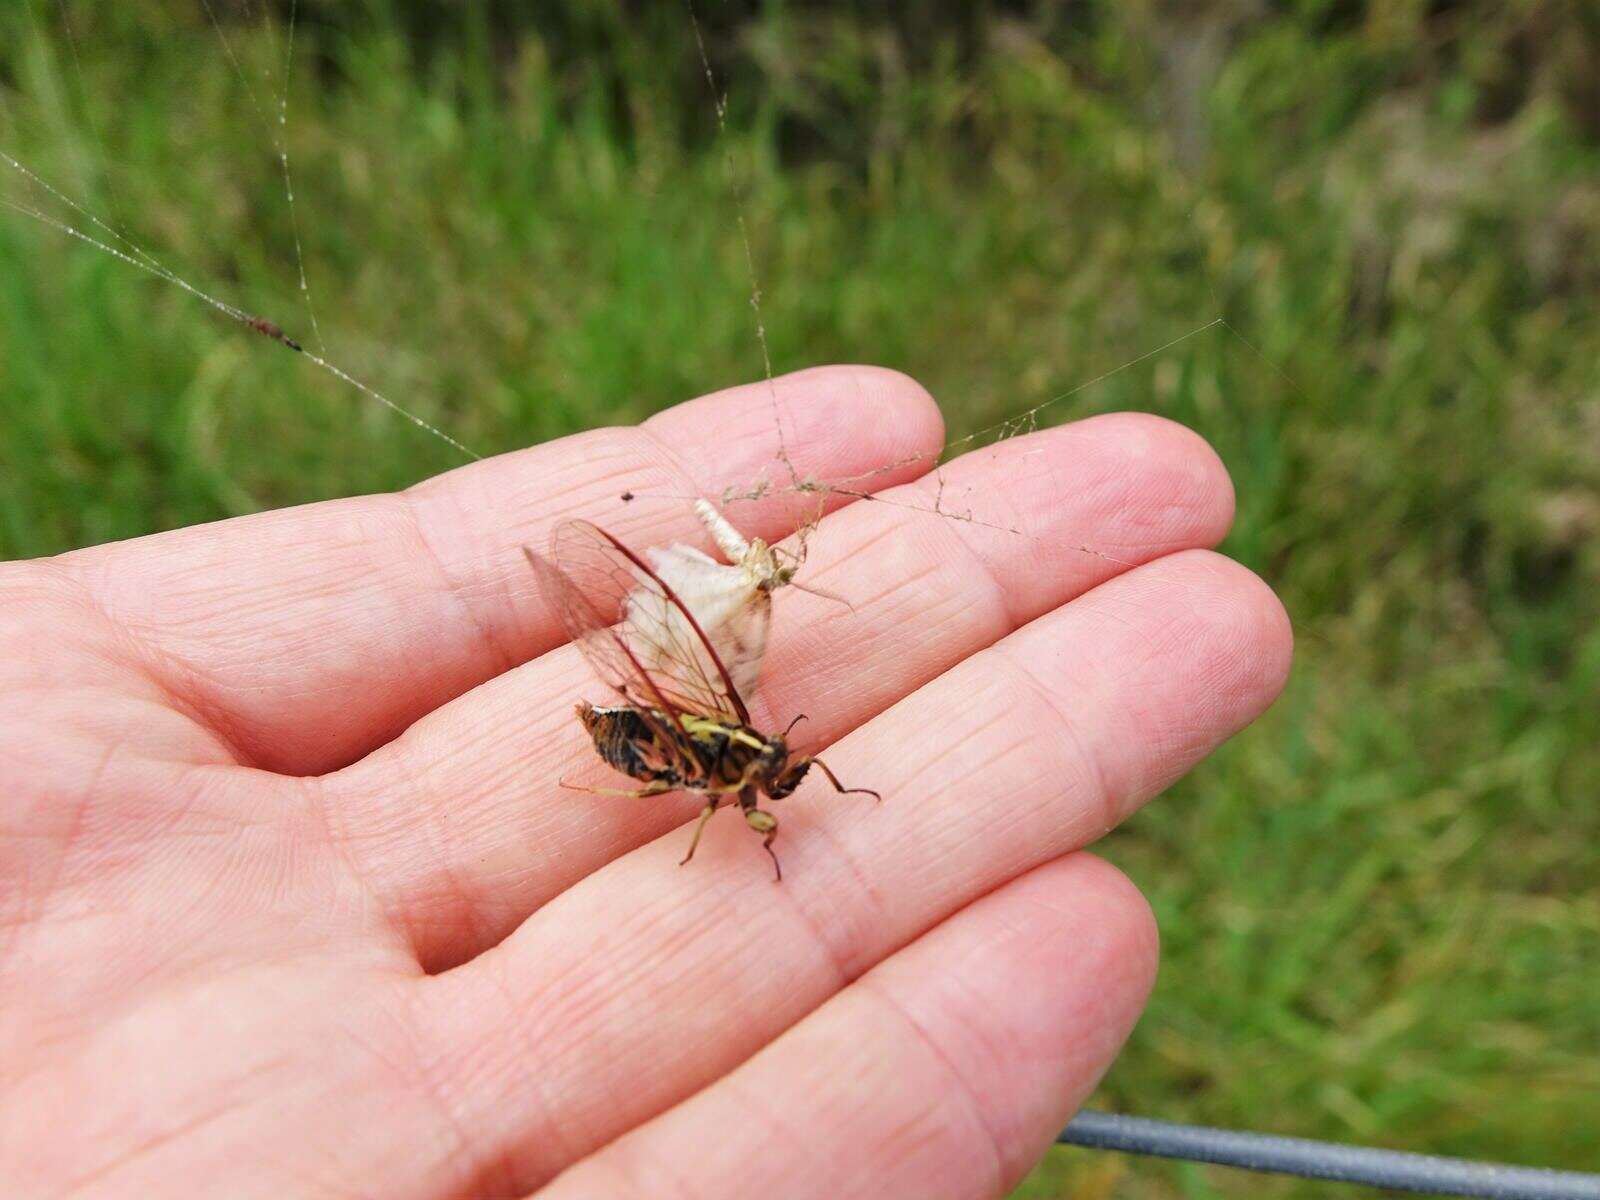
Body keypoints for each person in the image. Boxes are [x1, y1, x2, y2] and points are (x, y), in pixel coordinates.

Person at [0, 367, 1290, 1198]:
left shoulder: (766, 767)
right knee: (657, 781)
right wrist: (686, 797)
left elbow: (775, 780)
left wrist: (794, 798)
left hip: (672, 734)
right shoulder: (719, 773)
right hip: (645, 739)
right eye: (776, 777)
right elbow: (709, 796)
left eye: (780, 777)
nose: (782, 780)